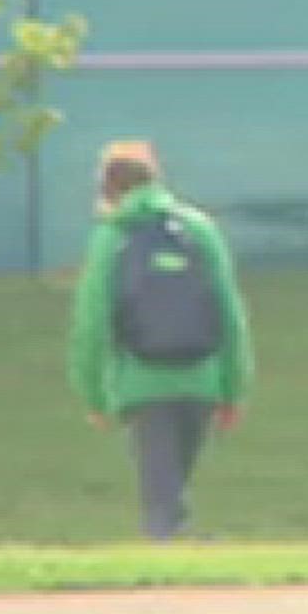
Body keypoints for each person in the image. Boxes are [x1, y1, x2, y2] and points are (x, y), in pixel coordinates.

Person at [68, 141, 253, 541]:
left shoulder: (111, 238)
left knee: (160, 494)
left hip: (142, 382)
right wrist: (234, 388)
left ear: (108, 189)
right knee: (172, 486)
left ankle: (166, 562)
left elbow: (91, 323)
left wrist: (94, 396)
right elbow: (228, 312)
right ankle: (179, 543)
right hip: (201, 378)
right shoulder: (199, 229)